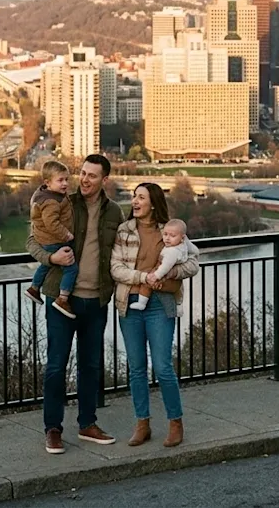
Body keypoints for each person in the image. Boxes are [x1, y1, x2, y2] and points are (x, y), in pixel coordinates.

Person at [25, 153, 124, 455]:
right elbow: (32, 241)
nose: (84, 179)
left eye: (92, 175)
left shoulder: (114, 213)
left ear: (104, 180)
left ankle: (87, 423)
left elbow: (124, 252)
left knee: (91, 366)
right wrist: (50, 258)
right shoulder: (64, 204)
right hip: (61, 300)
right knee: (56, 366)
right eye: (82, 173)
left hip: (96, 301)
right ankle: (53, 429)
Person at [110, 183, 200, 448]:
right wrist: (143, 277)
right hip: (130, 302)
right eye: (134, 197)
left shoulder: (170, 230)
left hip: (161, 304)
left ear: (153, 203)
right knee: (136, 367)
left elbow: (193, 262)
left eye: (141, 198)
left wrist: (170, 273)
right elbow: (115, 268)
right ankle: (142, 423)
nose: (135, 202)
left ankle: (175, 422)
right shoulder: (124, 231)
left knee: (162, 366)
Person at [25, 159, 78, 318]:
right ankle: (62, 298)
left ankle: (34, 288)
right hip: (54, 240)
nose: (65, 184)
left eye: (66, 179)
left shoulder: (45, 195)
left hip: (46, 241)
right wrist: (66, 235)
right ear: (47, 182)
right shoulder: (51, 201)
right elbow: (51, 223)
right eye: (60, 180)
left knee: (45, 265)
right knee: (71, 268)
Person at [128, 218, 190, 312]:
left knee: (147, 284)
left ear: (182, 238)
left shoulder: (172, 251)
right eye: (165, 234)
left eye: (172, 236)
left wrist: (156, 276)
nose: (167, 238)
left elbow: (166, 266)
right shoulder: (180, 246)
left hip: (163, 273)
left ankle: (141, 303)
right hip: (170, 279)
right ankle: (178, 305)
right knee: (175, 289)